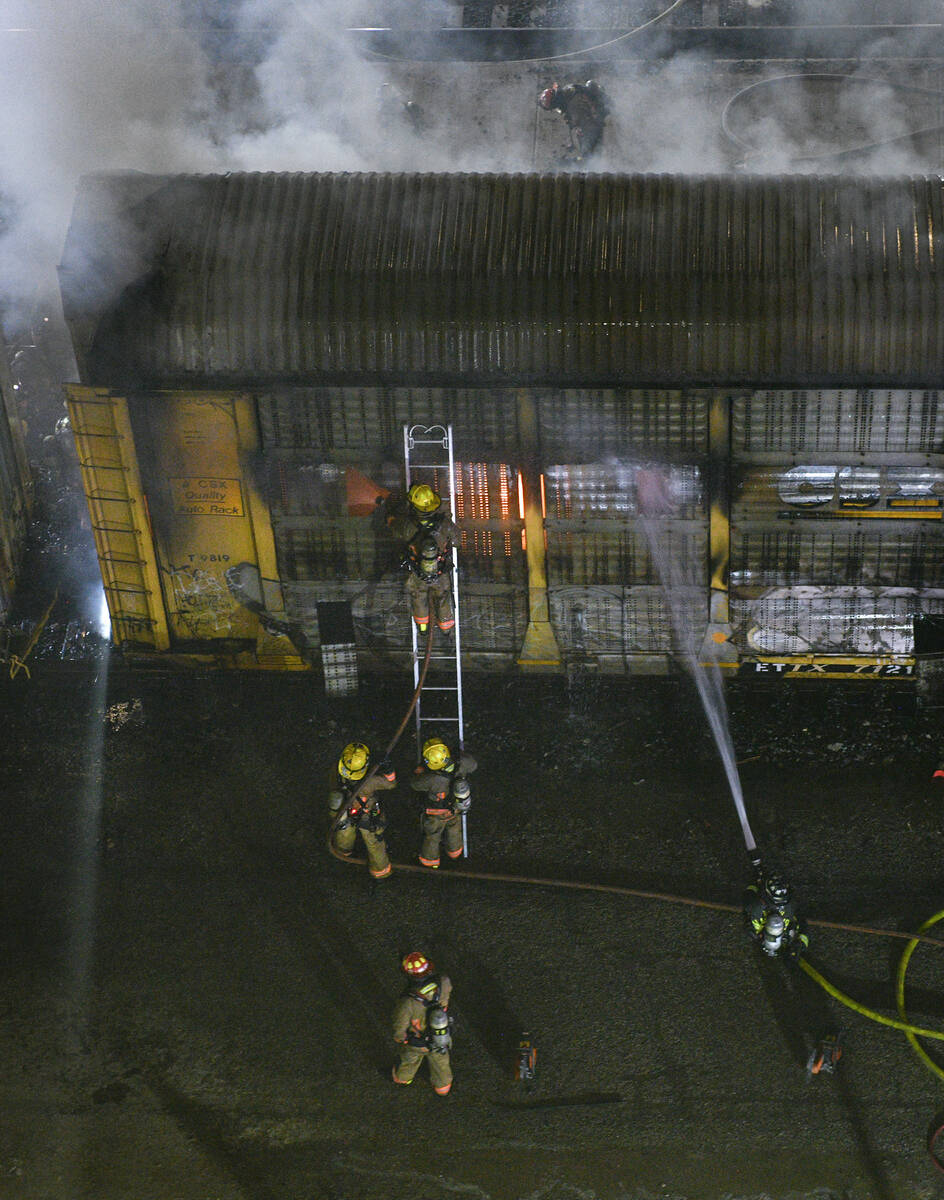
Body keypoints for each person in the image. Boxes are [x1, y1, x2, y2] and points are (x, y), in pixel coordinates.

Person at [328, 742, 396, 879]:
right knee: (373, 841)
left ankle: (342, 853)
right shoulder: (371, 780)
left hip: (344, 811)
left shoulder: (336, 770)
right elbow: (391, 784)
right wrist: (388, 769)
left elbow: (333, 788)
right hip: (366, 814)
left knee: (344, 831)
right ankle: (381, 871)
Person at [392, 951, 454, 1095]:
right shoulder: (443, 981)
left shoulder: (408, 1001)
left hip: (417, 1042)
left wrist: (402, 1039)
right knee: (441, 1064)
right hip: (441, 1037)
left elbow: (399, 1027)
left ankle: (403, 1079)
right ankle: (443, 1088)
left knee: (408, 1060)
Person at [410, 737, 476, 868]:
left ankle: (430, 861)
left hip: (435, 813)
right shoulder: (461, 763)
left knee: (433, 836)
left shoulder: (430, 778)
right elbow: (473, 765)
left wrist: (419, 773)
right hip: (455, 809)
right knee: (454, 831)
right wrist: (460, 755)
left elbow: (414, 784)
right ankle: (455, 854)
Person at [743, 870, 809, 960]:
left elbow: (802, 922)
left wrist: (801, 944)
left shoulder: (789, 907)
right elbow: (748, 896)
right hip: (760, 930)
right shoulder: (756, 907)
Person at [538, 79, 608, 161]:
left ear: (555, 103)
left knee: (590, 159)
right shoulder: (568, 93)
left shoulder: (573, 106)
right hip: (599, 121)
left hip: (599, 126)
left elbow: (588, 127)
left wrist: (586, 153)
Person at [403, 533, 455, 635]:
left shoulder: (411, 527)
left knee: (419, 599)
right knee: (443, 599)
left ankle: (423, 628)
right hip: (440, 577)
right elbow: (456, 541)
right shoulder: (443, 526)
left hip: (419, 576)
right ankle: (446, 629)